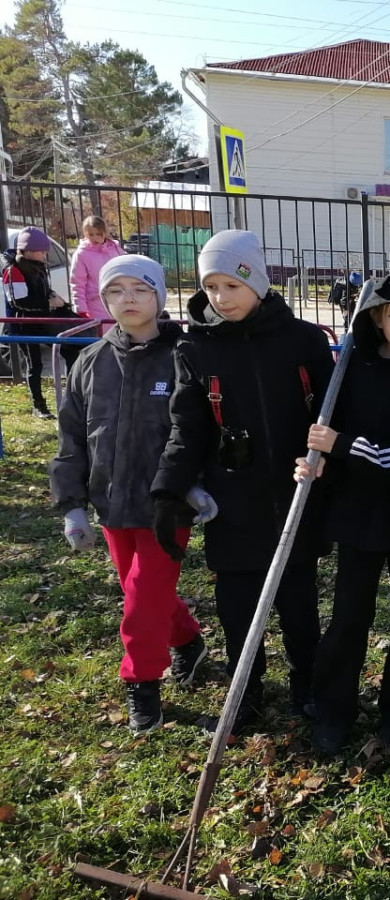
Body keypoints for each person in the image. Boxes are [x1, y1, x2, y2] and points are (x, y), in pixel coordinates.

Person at [151, 230, 333, 733]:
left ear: (257, 281)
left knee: (299, 605)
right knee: (237, 606)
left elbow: (333, 409)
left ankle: (307, 685)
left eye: (232, 284)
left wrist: (326, 456)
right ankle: (245, 692)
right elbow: (186, 427)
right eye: (211, 286)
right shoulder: (196, 348)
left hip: (295, 497)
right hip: (233, 503)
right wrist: (168, 490)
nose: (221, 297)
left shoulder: (303, 342)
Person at [49, 255, 212, 733]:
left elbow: (202, 431)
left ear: (158, 296)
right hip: (111, 504)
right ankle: (187, 640)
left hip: (169, 505)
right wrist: (73, 506)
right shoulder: (91, 361)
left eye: (139, 289)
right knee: (141, 590)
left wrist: (197, 484)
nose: (128, 300)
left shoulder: (184, 354)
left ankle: (141, 682)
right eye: (116, 291)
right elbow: (72, 438)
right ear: (103, 300)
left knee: (141, 596)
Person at [296, 265, 390, 755]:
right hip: (359, 514)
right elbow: (328, 432)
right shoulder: (353, 367)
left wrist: (343, 447)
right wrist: (317, 463)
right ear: (378, 318)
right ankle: (333, 709)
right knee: (348, 617)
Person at [2, 226, 79, 419]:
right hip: (23, 325)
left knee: (71, 350)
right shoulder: (13, 271)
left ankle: (71, 397)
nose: (45, 253)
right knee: (34, 364)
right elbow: (18, 302)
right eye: (41, 250)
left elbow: (44, 291)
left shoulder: (39, 266)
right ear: (27, 250)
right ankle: (39, 405)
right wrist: (48, 303)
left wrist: (57, 299)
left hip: (43, 322)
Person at [70, 216, 124, 328]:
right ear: (85, 234)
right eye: (91, 234)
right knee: (104, 336)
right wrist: (81, 308)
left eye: (98, 234)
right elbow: (77, 283)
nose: (95, 237)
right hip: (95, 303)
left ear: (105, 232)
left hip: (119, 299)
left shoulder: (115, 248)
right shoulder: (81, 254)